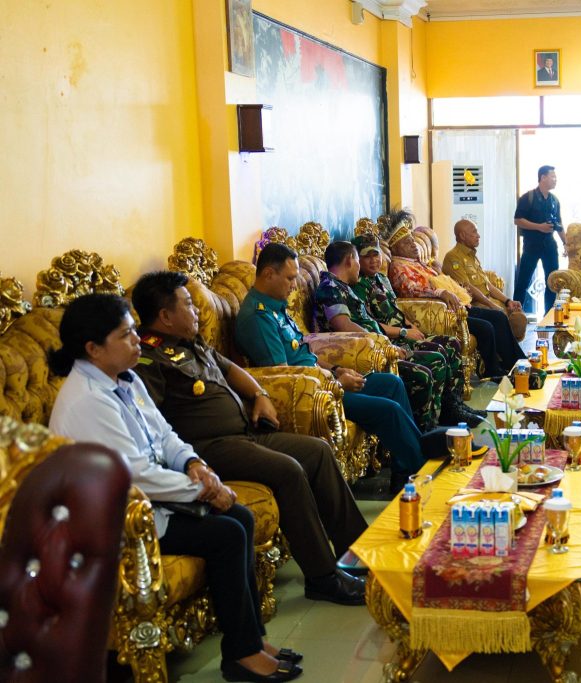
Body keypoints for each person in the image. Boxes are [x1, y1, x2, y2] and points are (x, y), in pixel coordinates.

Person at [48, 294, 303, 682]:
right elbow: (132, 474)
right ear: (93, 349)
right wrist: (202, 489)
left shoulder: (126, 378)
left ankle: (250, 640)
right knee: (227, 532)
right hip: (113, 520)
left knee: (240, 517)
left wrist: (194, 464)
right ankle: (241, 654)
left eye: (135, 330)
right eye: (126, 334)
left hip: (151, 501)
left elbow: (165, 435)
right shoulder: (85, 401)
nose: (137, 340)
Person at [130, 271, 368, 607]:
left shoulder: (191, 342)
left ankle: (355, 552)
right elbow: (150, 425)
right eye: (188, 305)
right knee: (288, 470)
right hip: (208, 448)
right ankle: (323, 577)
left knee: (318, 451)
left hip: (245, 433)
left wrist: (259, 393)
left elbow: (229, 370)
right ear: (165, 316)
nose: (196, 311)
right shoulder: (148, 359)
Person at [235, 242, 431, 492]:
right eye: (290, 278)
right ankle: (421, 471)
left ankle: (405, 470)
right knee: (388, 410)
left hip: (325, 379)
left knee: (391, 383)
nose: (294, 285)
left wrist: (338, 369)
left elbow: (303, 354)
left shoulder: (275, 307)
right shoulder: (257, 317)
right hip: (312, 395)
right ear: (268, 274)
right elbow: (285, 376)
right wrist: (336, 383)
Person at [314, 240, 482, 429]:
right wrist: (385, 343)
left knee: (446, 348)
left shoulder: (343, 286)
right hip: (368, 354)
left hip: (380, 346)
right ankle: (426, 429)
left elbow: (370, 319)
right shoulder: (330, 288)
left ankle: (450, 411)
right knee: (426, 370)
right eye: (361, 259)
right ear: (350, 260)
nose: (362, 265)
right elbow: (344, 326)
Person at [385, 219, 527, 377]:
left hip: (456, 305)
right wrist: (440, 293)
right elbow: (411, 289)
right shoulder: (399, 267)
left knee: (499, 316)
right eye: (407, 242)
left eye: (413, 241)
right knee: (486, 327)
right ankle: (493, 371)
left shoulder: (418, 263)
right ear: (396, 248)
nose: (413, 245)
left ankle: (519, 363)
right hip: (444, 313)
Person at [442, 218, 528, 341]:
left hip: (488, 301)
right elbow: (468, 288)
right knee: (509, 320)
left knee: (519, 317)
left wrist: (507, 301)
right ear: (462, 235)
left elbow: (488, 285)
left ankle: (509, 351)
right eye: (474, 232)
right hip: (476, 306)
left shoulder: (472, 256)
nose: (478, 236)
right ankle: (507, 356)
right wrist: (492, 305)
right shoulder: (453, 257)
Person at [513, 165, 564, 313]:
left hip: (550, 245)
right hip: (531, 246)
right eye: (553, 177)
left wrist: (566, 243)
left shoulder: (555, 200)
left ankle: (549, 316)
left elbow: (559, 224)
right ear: (543, 177)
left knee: (553, 282)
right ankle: (516, 316)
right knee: (523, 281)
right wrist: (539, 227)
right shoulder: (527, 198)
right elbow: (518, 220)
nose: (555, 180)